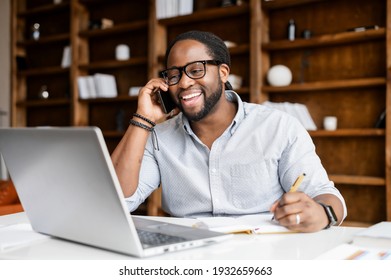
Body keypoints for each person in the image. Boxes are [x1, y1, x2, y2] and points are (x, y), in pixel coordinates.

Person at [111, 30, 347, 233]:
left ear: (223, 73)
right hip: (189, 255)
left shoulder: (278, 127)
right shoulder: (159, 137)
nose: (183, 83)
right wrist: (143, 119)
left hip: (263, 251)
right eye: (174, 75)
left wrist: (322, 214)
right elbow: (119, 201)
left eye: (195, 70)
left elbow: (326, 195)